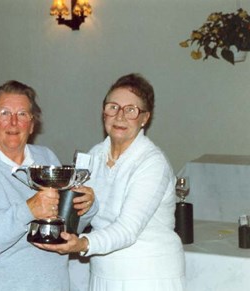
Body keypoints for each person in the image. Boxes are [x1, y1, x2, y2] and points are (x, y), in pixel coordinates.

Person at [36, 73, 186, 290]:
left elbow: (127, 229)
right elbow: (77, 217)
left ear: (145, 118)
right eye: (113, 107)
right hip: (102, 274)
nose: (120, 116)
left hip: (148, 276)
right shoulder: (94, 155)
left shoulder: (152, 163)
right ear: (103, 112)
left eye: (131, 110)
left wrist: (82, 244)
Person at [0, 80, 97, 291]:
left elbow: (67, 228)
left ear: (32, 124)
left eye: (22, 115)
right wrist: (27, 210)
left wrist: (86, 206)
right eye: (4, 113)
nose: (13, 123)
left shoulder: (47, 158)